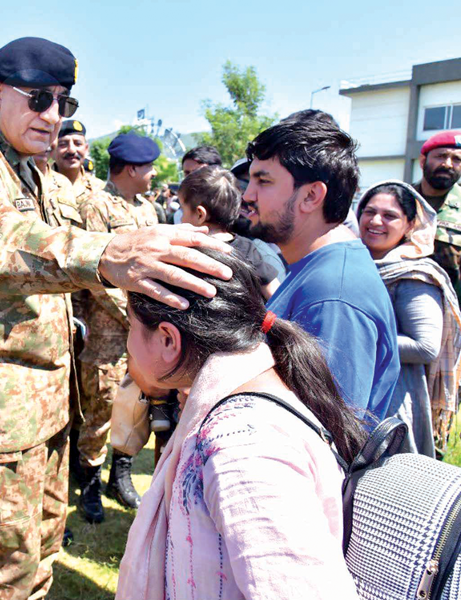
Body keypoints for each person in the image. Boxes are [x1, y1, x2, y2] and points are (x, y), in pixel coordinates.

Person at [0, 36, 232, 600]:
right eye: (39, 99)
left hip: (47, 398)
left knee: (43, 550)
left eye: (64, 102)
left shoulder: (26, 167)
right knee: (4, 572)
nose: (53, 115)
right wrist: (106, 255)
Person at [116, 249, 363, 600]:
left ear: (168, 339)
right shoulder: (244, 404)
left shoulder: (241, 449)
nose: (127, 342)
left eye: (131, 325)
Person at [243, 112, 399, 423]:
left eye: (264, 181)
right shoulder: (315, 269)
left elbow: (329, 429)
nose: (247, 195)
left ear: (311, 195)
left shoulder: (333, 292)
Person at [74, 132, 160, 523]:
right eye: (148, 167)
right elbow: (94, 273)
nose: (153, 174)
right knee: (102, 404)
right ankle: (89, 483)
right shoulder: (96, 206)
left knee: (136, 404)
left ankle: (118, 475)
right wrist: (135, 315)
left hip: (142, 328)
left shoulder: (147, 210)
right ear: (130, 169)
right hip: (106, 330)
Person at [357, 180, 461, 458]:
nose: (375, 221)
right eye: (369, 211)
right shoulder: (354, 262)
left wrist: (355, 337)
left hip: (392, 400)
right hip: (356, 390)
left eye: (389, 216)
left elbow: (425, 346)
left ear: (410, 224)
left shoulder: (413, 276)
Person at [178, 166, 280, 299]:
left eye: (183, 209)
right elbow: (273, 291)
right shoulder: (246, 248)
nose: (181, 218)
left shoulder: (183, 249)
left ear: (200, 214)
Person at [413, 131, 461, 299]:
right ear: (422, 161)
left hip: (451, 307)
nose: (448, 164)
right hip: (397, 304)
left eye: (457, 159)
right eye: (441, 156)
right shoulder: (399, 199)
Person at [52, 119, 104, 204]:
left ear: (86, 149)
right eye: (63, 144)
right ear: (53, 149)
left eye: (78, 144)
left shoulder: (100, 188)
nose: (71, 150)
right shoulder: (41, 185)